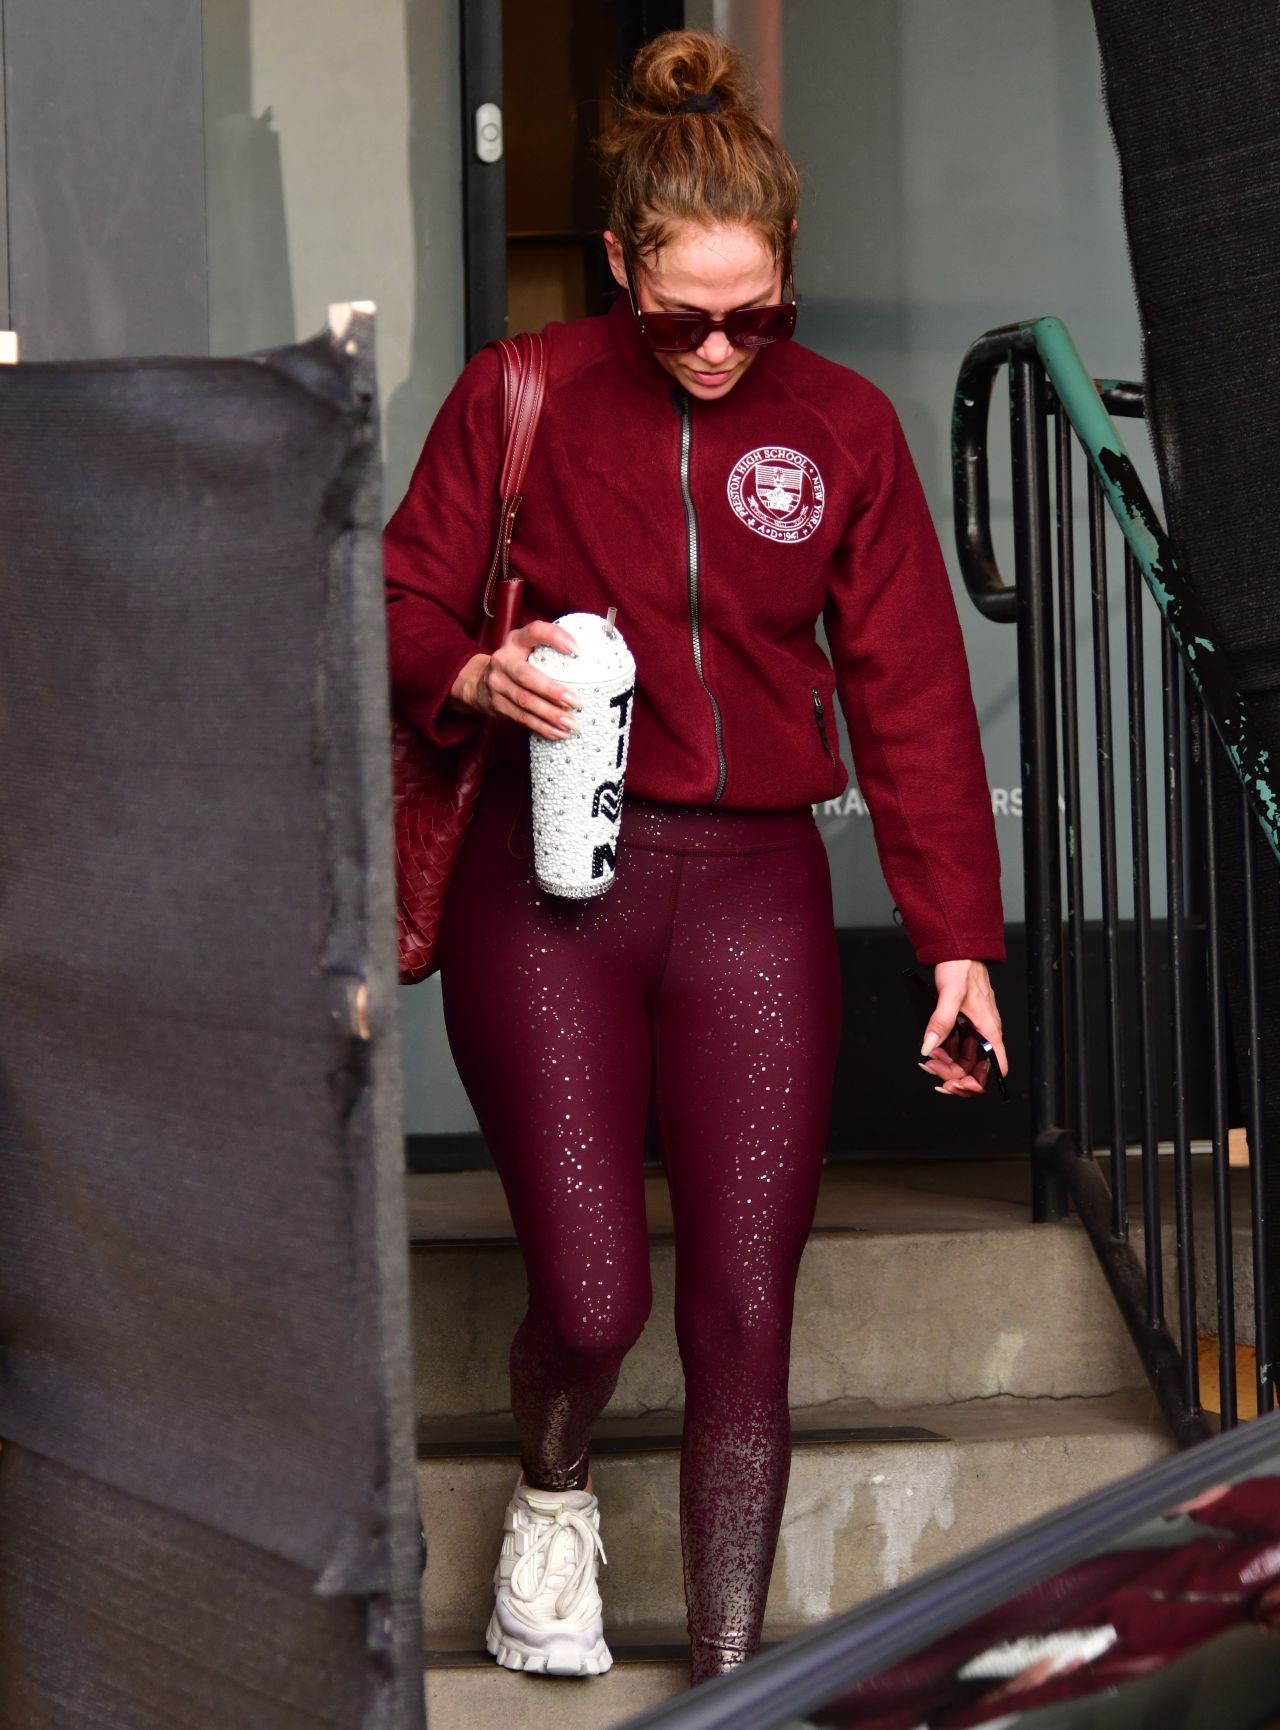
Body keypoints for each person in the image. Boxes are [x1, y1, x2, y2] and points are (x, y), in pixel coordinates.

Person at [384, 28, 1007, 1690]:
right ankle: (554, 1495)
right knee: (593, 1299)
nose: (724, 347)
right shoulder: (518, 399)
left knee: (746, 1309)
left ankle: (736, 1682)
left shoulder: (849, 431)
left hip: (757, 897)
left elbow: (915, 695)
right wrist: (470, 672)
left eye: (760, 313)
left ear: (789, 274)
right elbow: (396, 599)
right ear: (616, 267)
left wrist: (958, 940)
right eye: (684, 316)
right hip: (552, 889)